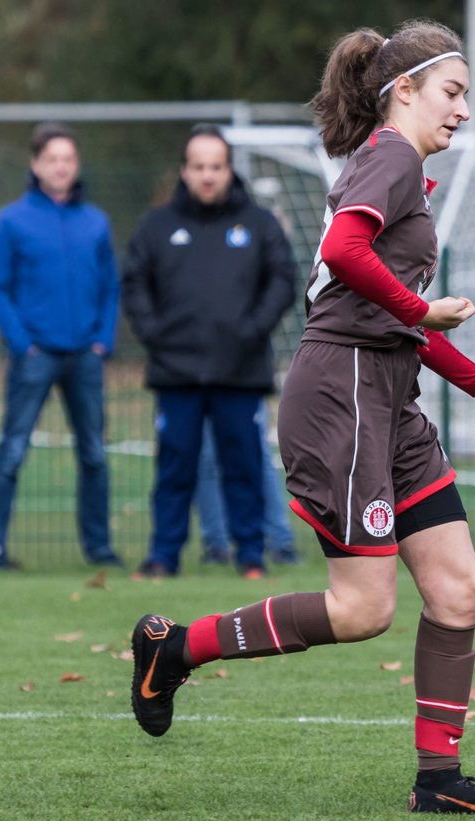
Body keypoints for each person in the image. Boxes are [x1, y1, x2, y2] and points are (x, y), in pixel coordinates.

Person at [128, 21, 475, 816]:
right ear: (404, 91)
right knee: (364, 610)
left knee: (458, 587)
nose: (462, 112)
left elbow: (399, 327)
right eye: (452, 94)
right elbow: (349, 254)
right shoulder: (388, 156)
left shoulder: (404, 171)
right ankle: (172, 647)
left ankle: (438, 782)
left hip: (387, 395)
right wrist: (423, 308)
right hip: (342, 397)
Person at [122, 124, 296, 580]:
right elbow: (134, 282)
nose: (207, 176)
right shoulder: (156, 226)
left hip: (240, 371)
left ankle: (251, 555)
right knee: (174, 469)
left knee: (243, 466)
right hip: (176, 372)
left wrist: (253, 329)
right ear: (184, 171)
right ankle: (163, 556)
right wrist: (156, 333)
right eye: (198, 167)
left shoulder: (258, 225)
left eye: (215, 167)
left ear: (227, 170)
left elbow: (282, 281)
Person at [0, 122, 122, 570]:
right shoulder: (11, 221)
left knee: (94, 455)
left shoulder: (96, 222)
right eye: (52, 159)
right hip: (35, 356)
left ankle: (99, 549)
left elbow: (111, 288)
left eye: (69, 159)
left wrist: (102, 341)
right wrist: (24, 345)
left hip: (86, 357)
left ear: (76, 166)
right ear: (35, 164)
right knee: (13, 450)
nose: (61, 167)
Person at [193, 405, 300, 566]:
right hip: (200, 385)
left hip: (243, 386)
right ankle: (216, 547)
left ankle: (280, 543)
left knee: (258, 459)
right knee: (207, 459)